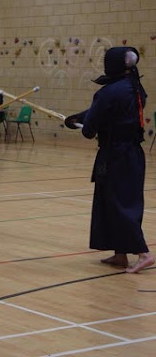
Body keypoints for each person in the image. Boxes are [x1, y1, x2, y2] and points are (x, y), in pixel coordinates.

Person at [65, 46, 155, 274]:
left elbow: (90, 128)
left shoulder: (107, 92)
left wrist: (80, 124)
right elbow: (104, 112)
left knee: (118, 204)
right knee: (113, 201)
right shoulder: (134, 88)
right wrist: (78, 117)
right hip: (132, 154)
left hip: (115, 155)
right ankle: (120, 253)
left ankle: (144, 254)